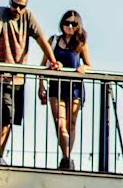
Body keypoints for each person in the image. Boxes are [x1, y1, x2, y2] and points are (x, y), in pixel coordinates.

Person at [0, 0, 62, 165]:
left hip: (18, 78)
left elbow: (41, 38)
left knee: (12, 119)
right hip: (0, 75)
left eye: (21, 6)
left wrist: (53, 60)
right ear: (9, 3)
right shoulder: (0, 13)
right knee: (6, 113)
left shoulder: (27, 16)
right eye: (14, 5)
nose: (17, 10)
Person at [37, 11, 92, 170]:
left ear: (78, 26)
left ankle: (67, 157)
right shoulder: (53, 41)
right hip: (56, 87)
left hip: (75, 89)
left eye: (73, 24)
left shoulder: (81, 44)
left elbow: (89, 65)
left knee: (71, 124)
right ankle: (66, 156)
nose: (69, 26)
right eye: (67, 23)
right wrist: (41, 85)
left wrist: (83, 68)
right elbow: (43, 65)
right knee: (60, 123)